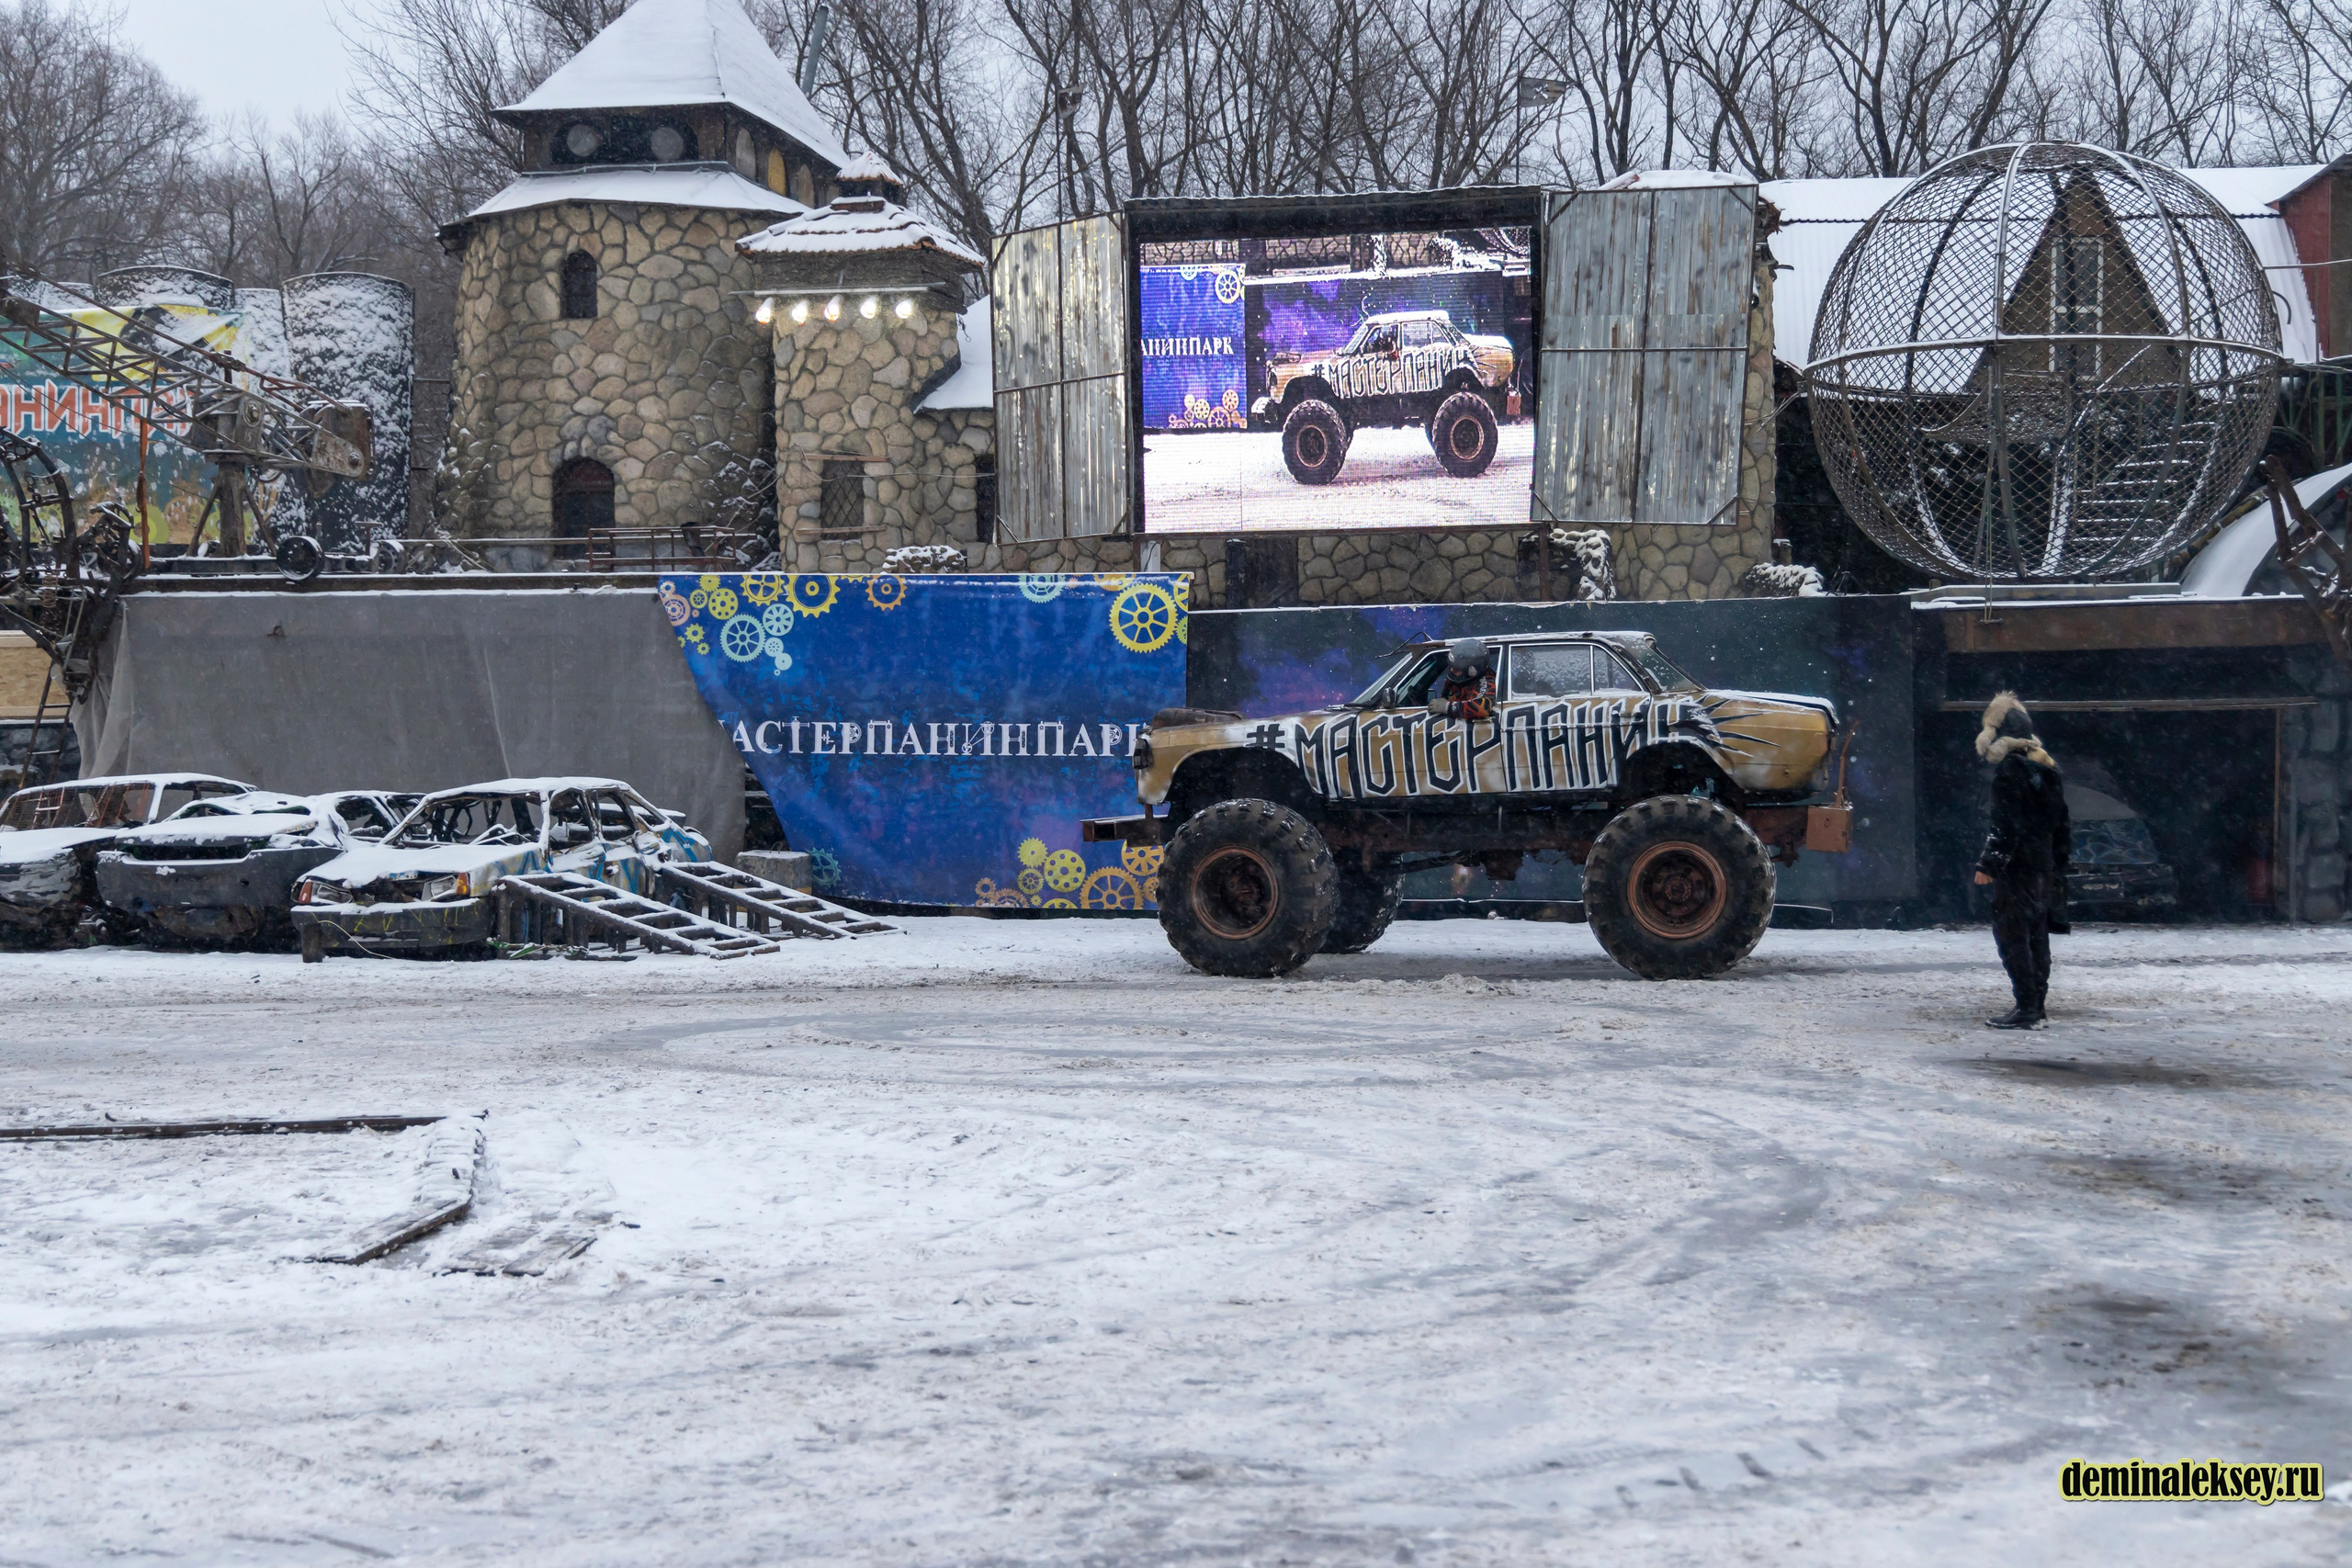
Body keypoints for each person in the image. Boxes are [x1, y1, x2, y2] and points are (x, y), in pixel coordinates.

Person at [1973, 692, 2070, 1029]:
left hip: (2018, 869)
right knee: (2036, 935)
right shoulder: (2048, 770)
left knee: (2012, 934)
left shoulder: (2009, 772)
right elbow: (2062, 825)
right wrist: (2057, 867)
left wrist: (1989, 864)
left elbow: (2005, 823)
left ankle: (2026, 1007)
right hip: (2042, 867)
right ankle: (2037, 1006)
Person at [1427, 637, 1496, 721]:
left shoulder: (1486, 681)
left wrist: (1448, 707)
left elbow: (1482, 708)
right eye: (1451, 666)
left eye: (1456, 669)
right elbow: (1445, 698)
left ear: (1471, 671)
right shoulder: (1455, 679)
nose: (1451, 670)